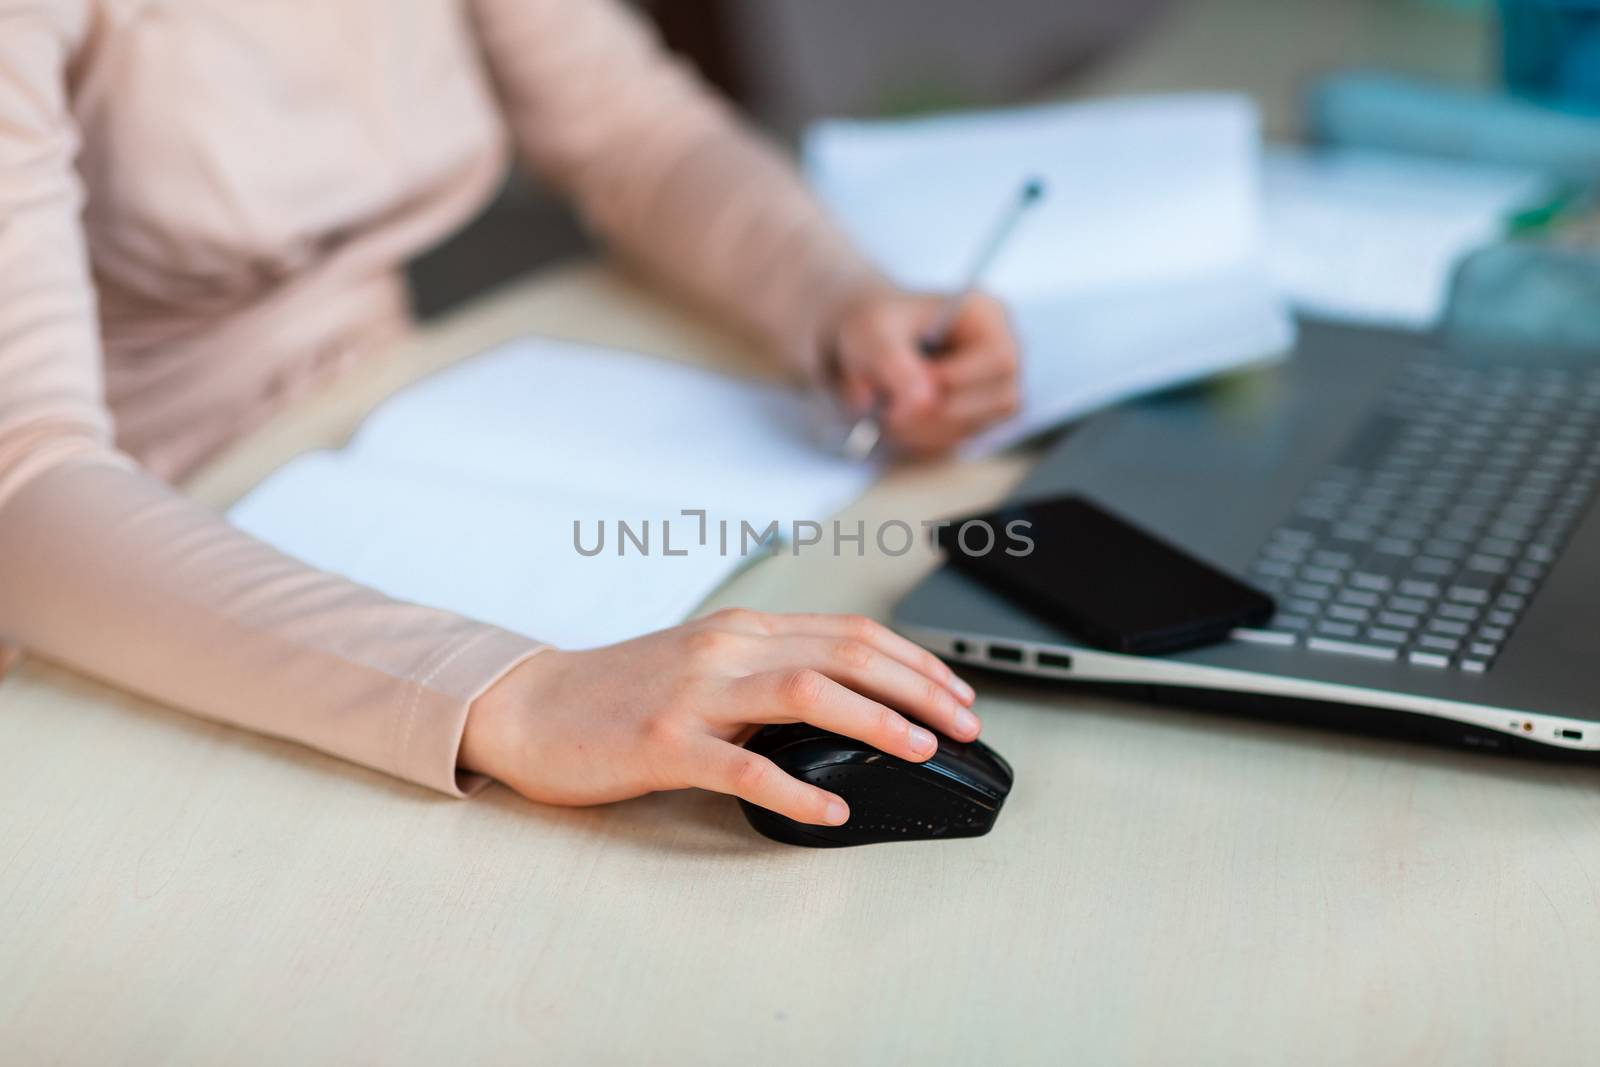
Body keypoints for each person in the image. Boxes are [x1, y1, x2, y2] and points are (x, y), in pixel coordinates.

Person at [0, 0, 1021, 828]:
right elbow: (25, 485)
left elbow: (634, 130)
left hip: (399, 399)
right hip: (125, 536)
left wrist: (835, 298)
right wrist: (513, 698)